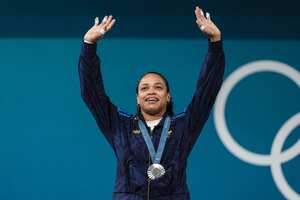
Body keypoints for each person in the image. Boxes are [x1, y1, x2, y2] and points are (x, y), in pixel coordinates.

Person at [78, 6, 225, 200]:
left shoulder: (183, 126)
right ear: (138, 98)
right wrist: (88, 46)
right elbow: (92, 93)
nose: (151, 91)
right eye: (144, 88)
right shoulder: (119, 125)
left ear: (168, 96)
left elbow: (207, 91)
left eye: (158, 87)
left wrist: (215, 43)